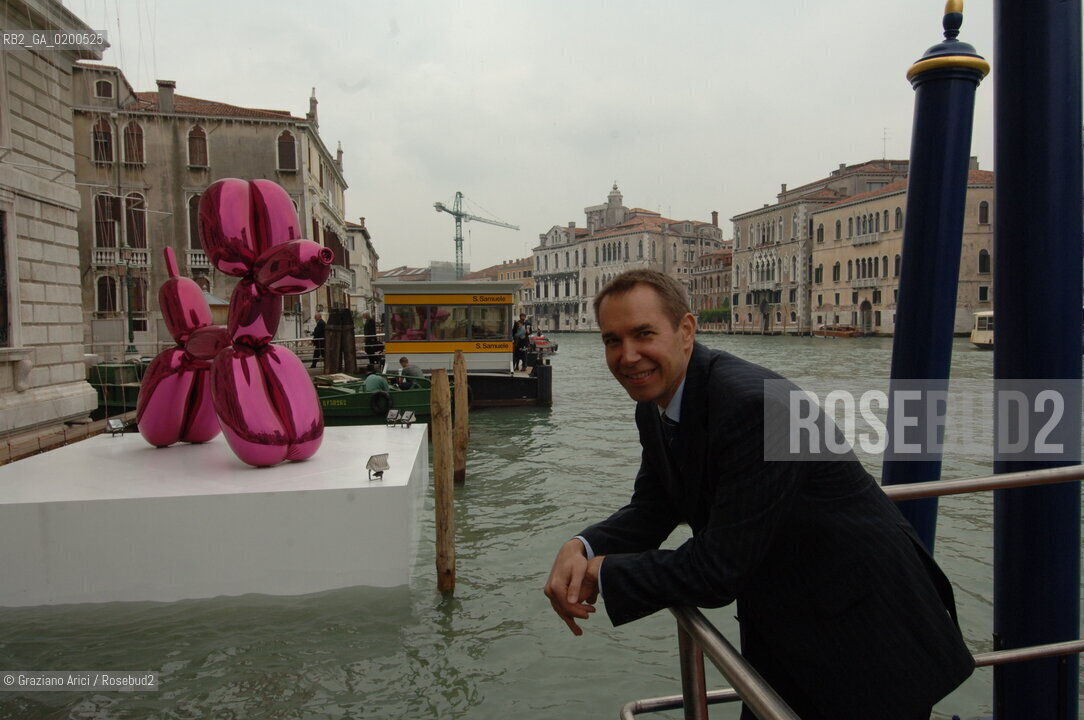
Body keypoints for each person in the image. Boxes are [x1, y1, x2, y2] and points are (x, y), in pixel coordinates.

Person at [543, 269, 973, 720]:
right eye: (612, 340)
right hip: (790, 624)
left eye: (643, 334)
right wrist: (583, 545)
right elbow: (656, 505)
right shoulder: (658, 404)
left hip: (871, 635)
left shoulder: (756, 406)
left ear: (686, 331)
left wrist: (602, 573)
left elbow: (717, 570)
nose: (627, 356)